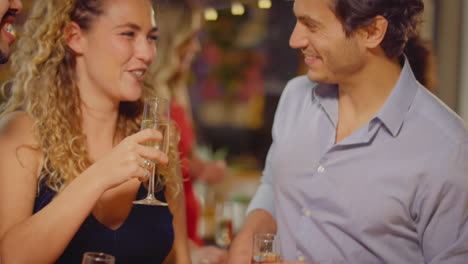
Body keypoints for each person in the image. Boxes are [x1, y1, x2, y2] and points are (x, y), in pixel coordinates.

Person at [228, 0, 468, 263]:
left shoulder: (449, 151)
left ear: (372, 31)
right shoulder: (295, 97)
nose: (295, 40)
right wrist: (250, 231)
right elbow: (275, 185)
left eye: (312, 25)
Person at [0, 0, 191, 263]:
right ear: (75, 37)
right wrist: (100, 176)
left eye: (151, 37)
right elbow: (10, 258)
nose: (147, 53)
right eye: (128, 34)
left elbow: (179, 258)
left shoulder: (157, 137)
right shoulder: (21, 133)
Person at [149, 1, 227, 264]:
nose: (196, 47)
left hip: (187, 217)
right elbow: (156, 170)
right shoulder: (145, 95)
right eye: (190, 37)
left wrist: (203, 168)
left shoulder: (178, 89)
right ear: (171, 39)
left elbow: (184, 156)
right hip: (165, 222)